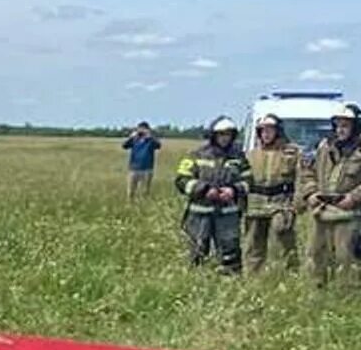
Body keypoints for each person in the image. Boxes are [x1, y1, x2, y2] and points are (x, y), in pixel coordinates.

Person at [297, 102, 361, 290]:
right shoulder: (324, 146)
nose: (340, 130)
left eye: (345, 125)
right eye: (338, 125)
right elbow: (307, 172)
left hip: (351, 212)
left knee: (347, 256)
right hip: (321, 211)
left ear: (356, 125)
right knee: (316, 254)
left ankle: (351, 296)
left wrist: (354, 198)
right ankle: (318, 292)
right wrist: (311, 193)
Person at [174, 115, 248, 274]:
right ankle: (196, 283)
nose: (224, 138)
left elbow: (249, 181)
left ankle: (230, 282)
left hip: (228, 214)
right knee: (198, 251)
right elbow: (181, 180)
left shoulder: (238, 157)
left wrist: (234, 190)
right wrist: (204, 190)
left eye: (228, 134)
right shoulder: (196, 154)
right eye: (221, 134)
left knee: (230, 251)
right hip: (200, 214)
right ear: (213, 135)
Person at [242, 114, 300, 273]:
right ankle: (253, 277)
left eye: (270, 130)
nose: (266, 134)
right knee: (253, 243)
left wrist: (296, 205)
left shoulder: (291, 152)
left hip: (281, 203)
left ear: (278, 131)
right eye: (262, 130)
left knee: (283, 237)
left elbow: (300, 179)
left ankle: (291, 274)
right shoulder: (251, 155)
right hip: (255, 204)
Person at [122, 121, 162, 200]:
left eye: (144, 129)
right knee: (130, 192)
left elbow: (158, 145)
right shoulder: (134, 139)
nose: (141, 131)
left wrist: (150, 136)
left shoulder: (150, 140)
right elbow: (124, 146)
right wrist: (131, 137)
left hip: (147, 169)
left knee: (144, 192)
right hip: (134, 169)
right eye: (140, 129)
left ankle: (143, 205)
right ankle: (131, 205)